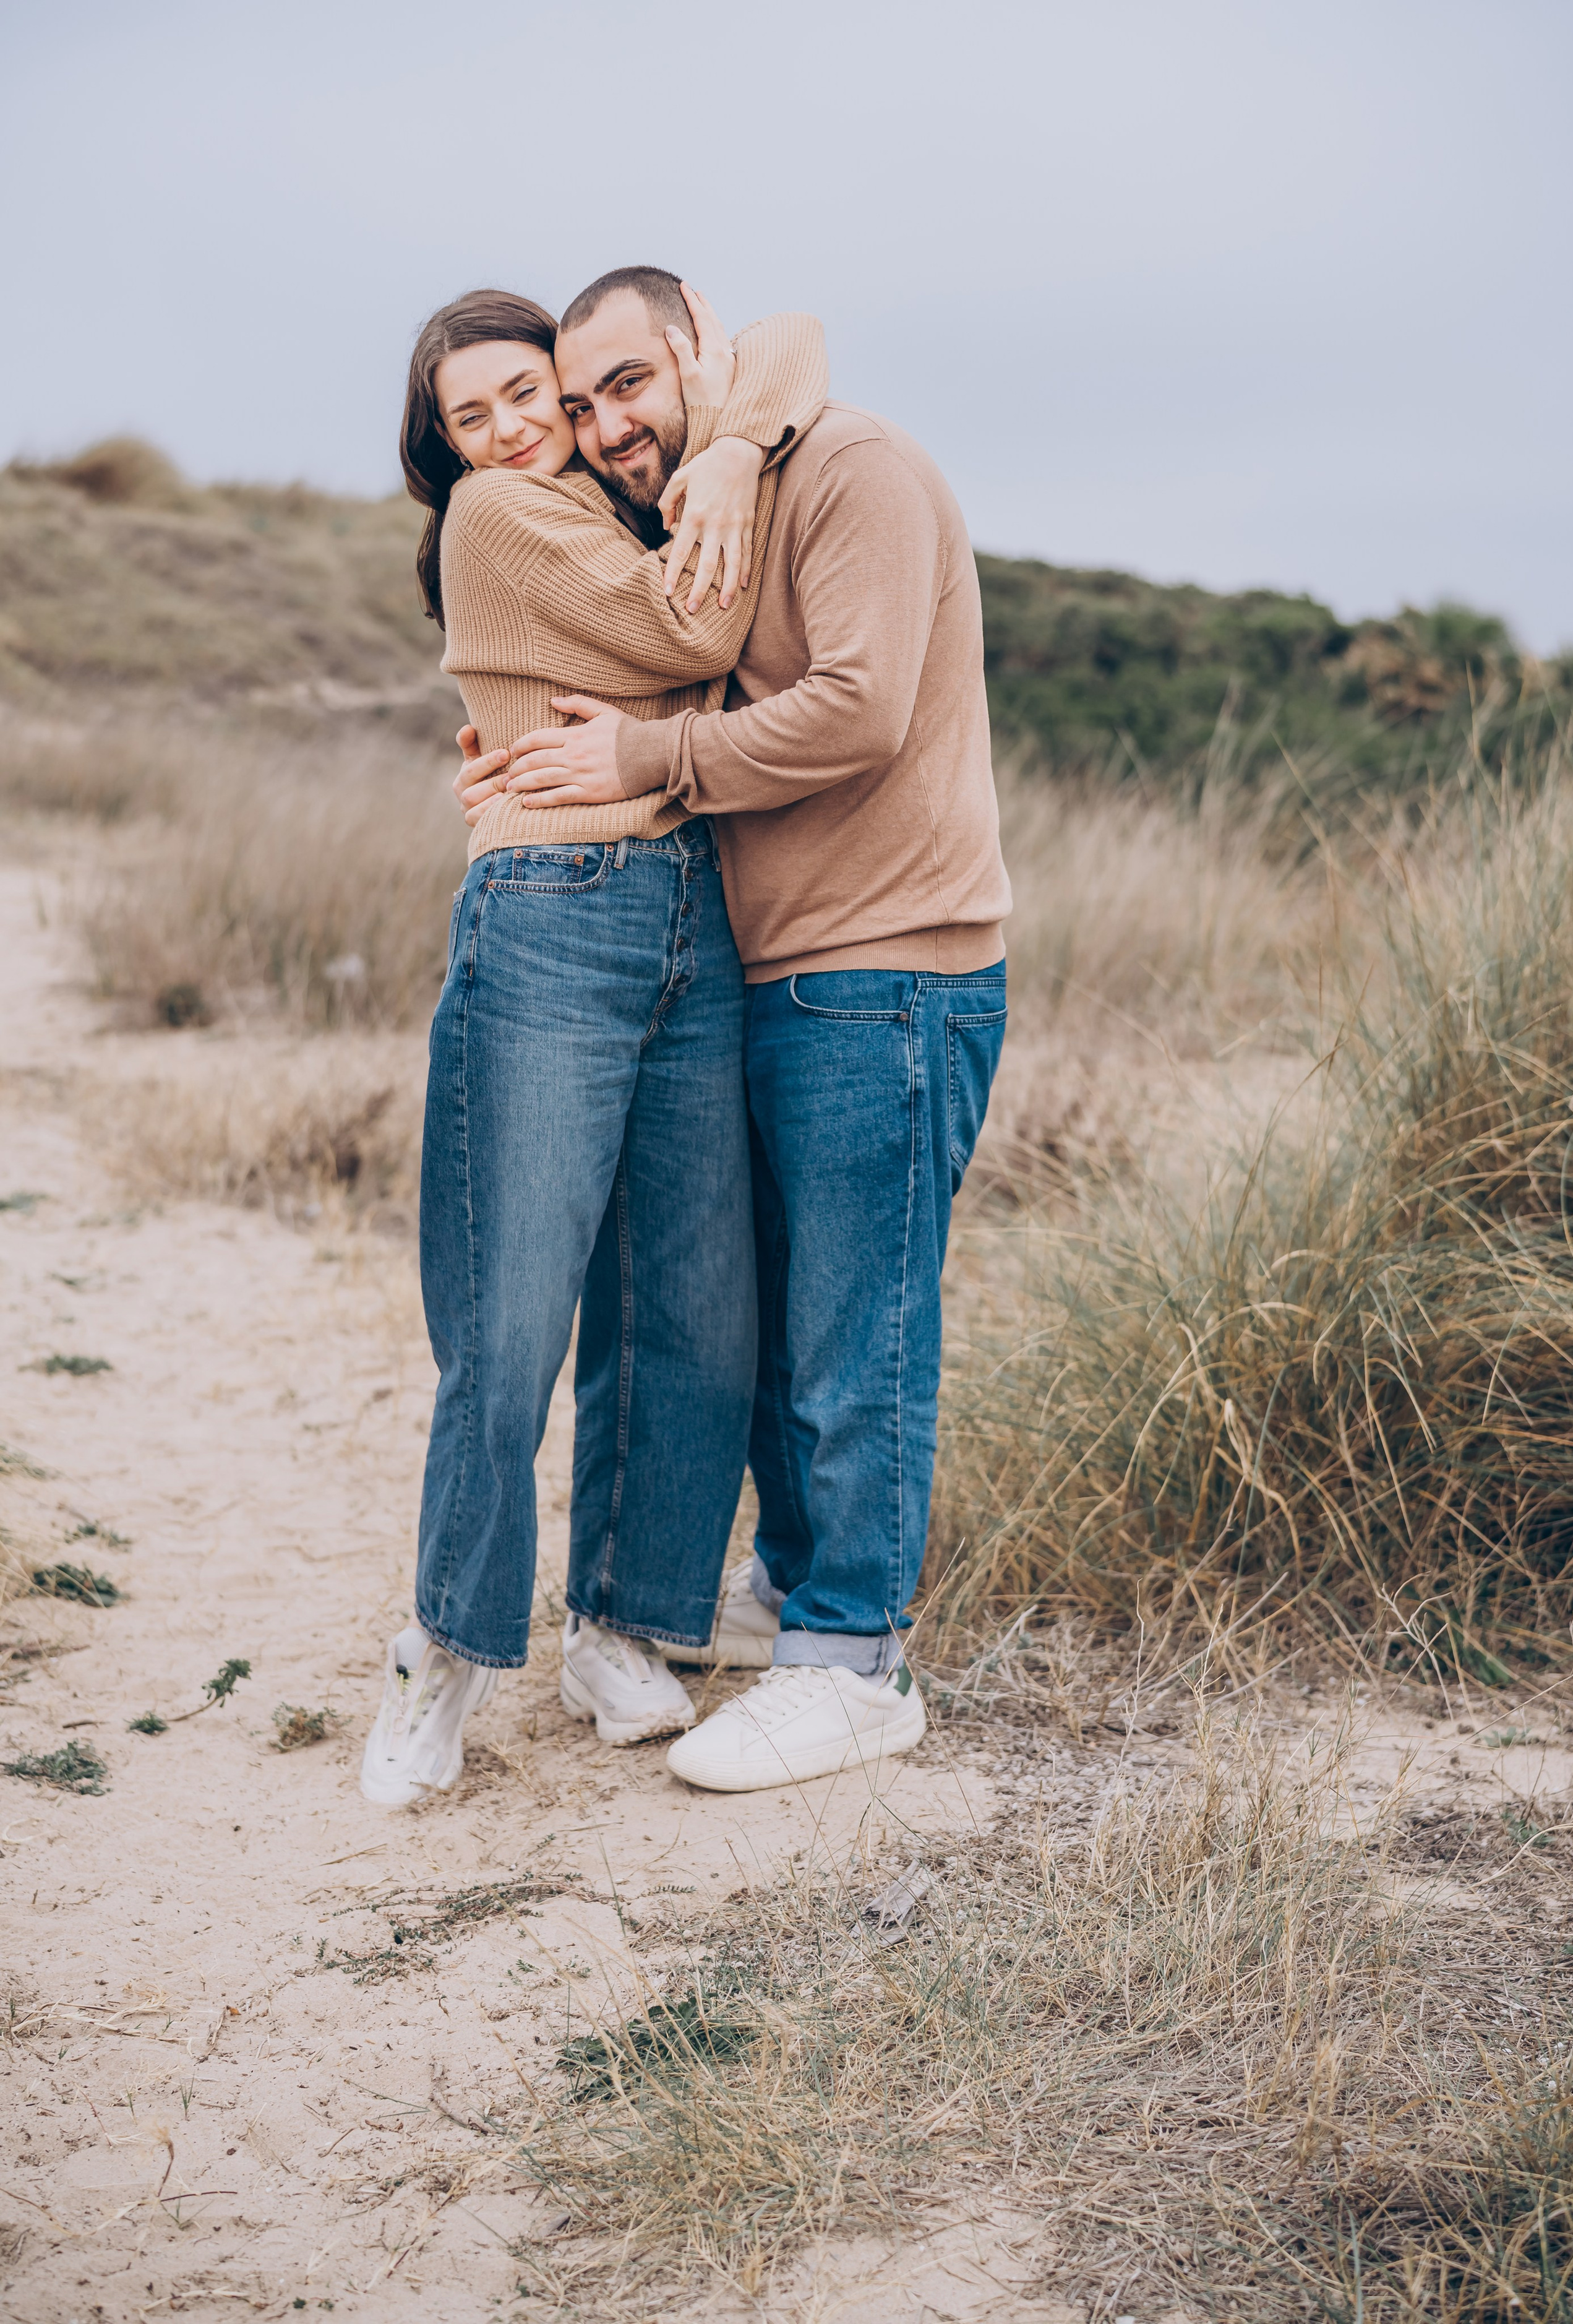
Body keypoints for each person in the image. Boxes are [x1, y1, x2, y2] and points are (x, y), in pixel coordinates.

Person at [463, 264, 1013, 1794]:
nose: (604, 426)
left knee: (856, 1330)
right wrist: (518, 754)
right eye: (579, 405)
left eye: (629, 384)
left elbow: (858, 710)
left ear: (698, 348)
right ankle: (789, 1589)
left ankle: (855, 1661)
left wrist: (650, 755)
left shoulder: (852, 469)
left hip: (889, 968)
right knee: (771, 1325)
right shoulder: (700, 502)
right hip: (769, 974)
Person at [360, 280, 827, 1807]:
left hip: (697, 909)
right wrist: (730, 477)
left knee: (691, 1302)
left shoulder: (620, 497)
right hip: (554, 912)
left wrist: (730, 444)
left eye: (533, 398)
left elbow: (787, 334)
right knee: (508, 1314)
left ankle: (621, 1625)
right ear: (442, 445)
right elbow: (696, 625)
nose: (511, 431)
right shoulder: (498, 517)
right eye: (471, 416)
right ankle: (442, 1650)